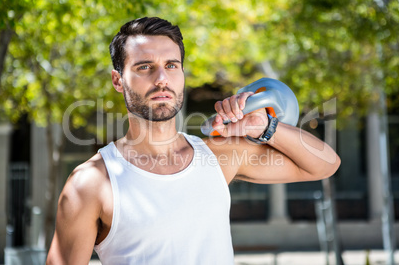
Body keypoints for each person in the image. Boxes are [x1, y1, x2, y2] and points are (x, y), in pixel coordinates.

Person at [46, 17, 341, 264]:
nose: (162, 78)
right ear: (117, 80)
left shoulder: (216, 157)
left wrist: (263, 126)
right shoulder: (92, 182)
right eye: (144, 67)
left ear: (182, 74)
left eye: (172, 65)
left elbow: (325, 164)